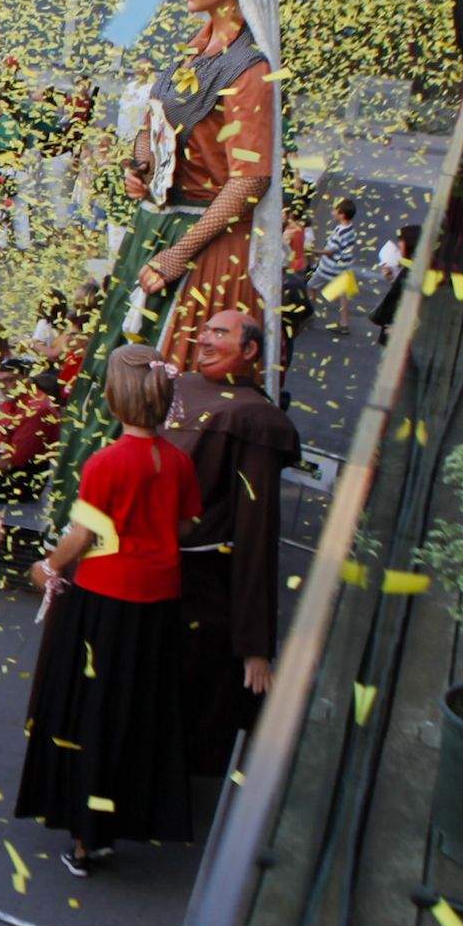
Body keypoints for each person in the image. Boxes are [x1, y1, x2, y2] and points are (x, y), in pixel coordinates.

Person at [16, 345, 202, 873]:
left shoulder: (105, 461)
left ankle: (84, 834)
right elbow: (187, 526)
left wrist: (46, 567)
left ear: (118, 399)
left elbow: (84, 533)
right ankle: (120, 821)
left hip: (104, 602)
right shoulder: (180, 460)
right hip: (158, 603)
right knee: (137, 712)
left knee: (89, 713)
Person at [100, 0, 285, 380]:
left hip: (206, 245)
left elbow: (250, 180)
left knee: (162, 378)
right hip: (158, 230)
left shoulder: (251, 68)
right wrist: (140, 164)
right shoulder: (196, 46)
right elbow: (155, 124)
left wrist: (180, 254)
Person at [166, 307, 301, 774]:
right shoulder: (178, 386)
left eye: (219, 333)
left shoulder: (254, 420)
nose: (204, 339)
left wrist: (255, 643)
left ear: (248, 352)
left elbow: (256, 533)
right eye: (204, 329)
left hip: (197, 586)